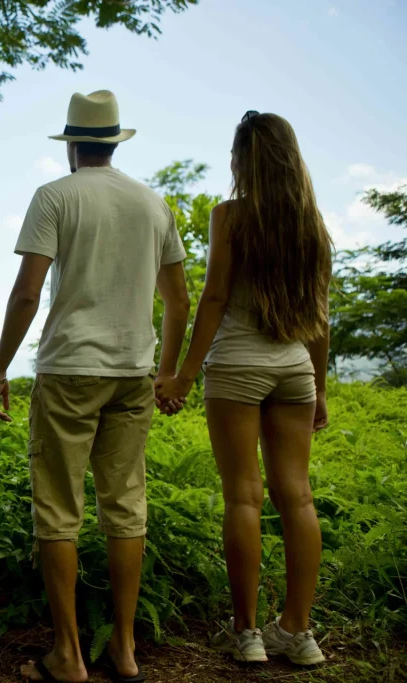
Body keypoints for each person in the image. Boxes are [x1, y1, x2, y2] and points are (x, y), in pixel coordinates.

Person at [0, 89, 190, 683]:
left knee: (58, 510)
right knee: (126, 506)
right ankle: (124, 652)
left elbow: (28, 293)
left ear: (73, 144)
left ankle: (69, 656)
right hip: (134, 371)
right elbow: (178, 300)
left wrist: (1, 368)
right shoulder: (153, 204)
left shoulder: (54, 196)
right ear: (114, 141)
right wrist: (168, 371)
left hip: (70, 368)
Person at [155, 111, 332, 666]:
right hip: (294, 369)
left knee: (243, 496)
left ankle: (248, 634)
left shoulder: (230, 216)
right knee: (297, 496)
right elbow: (320, 318)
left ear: (242, 160)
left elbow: (213, 299)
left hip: (237, 367)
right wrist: (319, 388)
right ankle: (298, 633)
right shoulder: (313, 224)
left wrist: (183, 375)